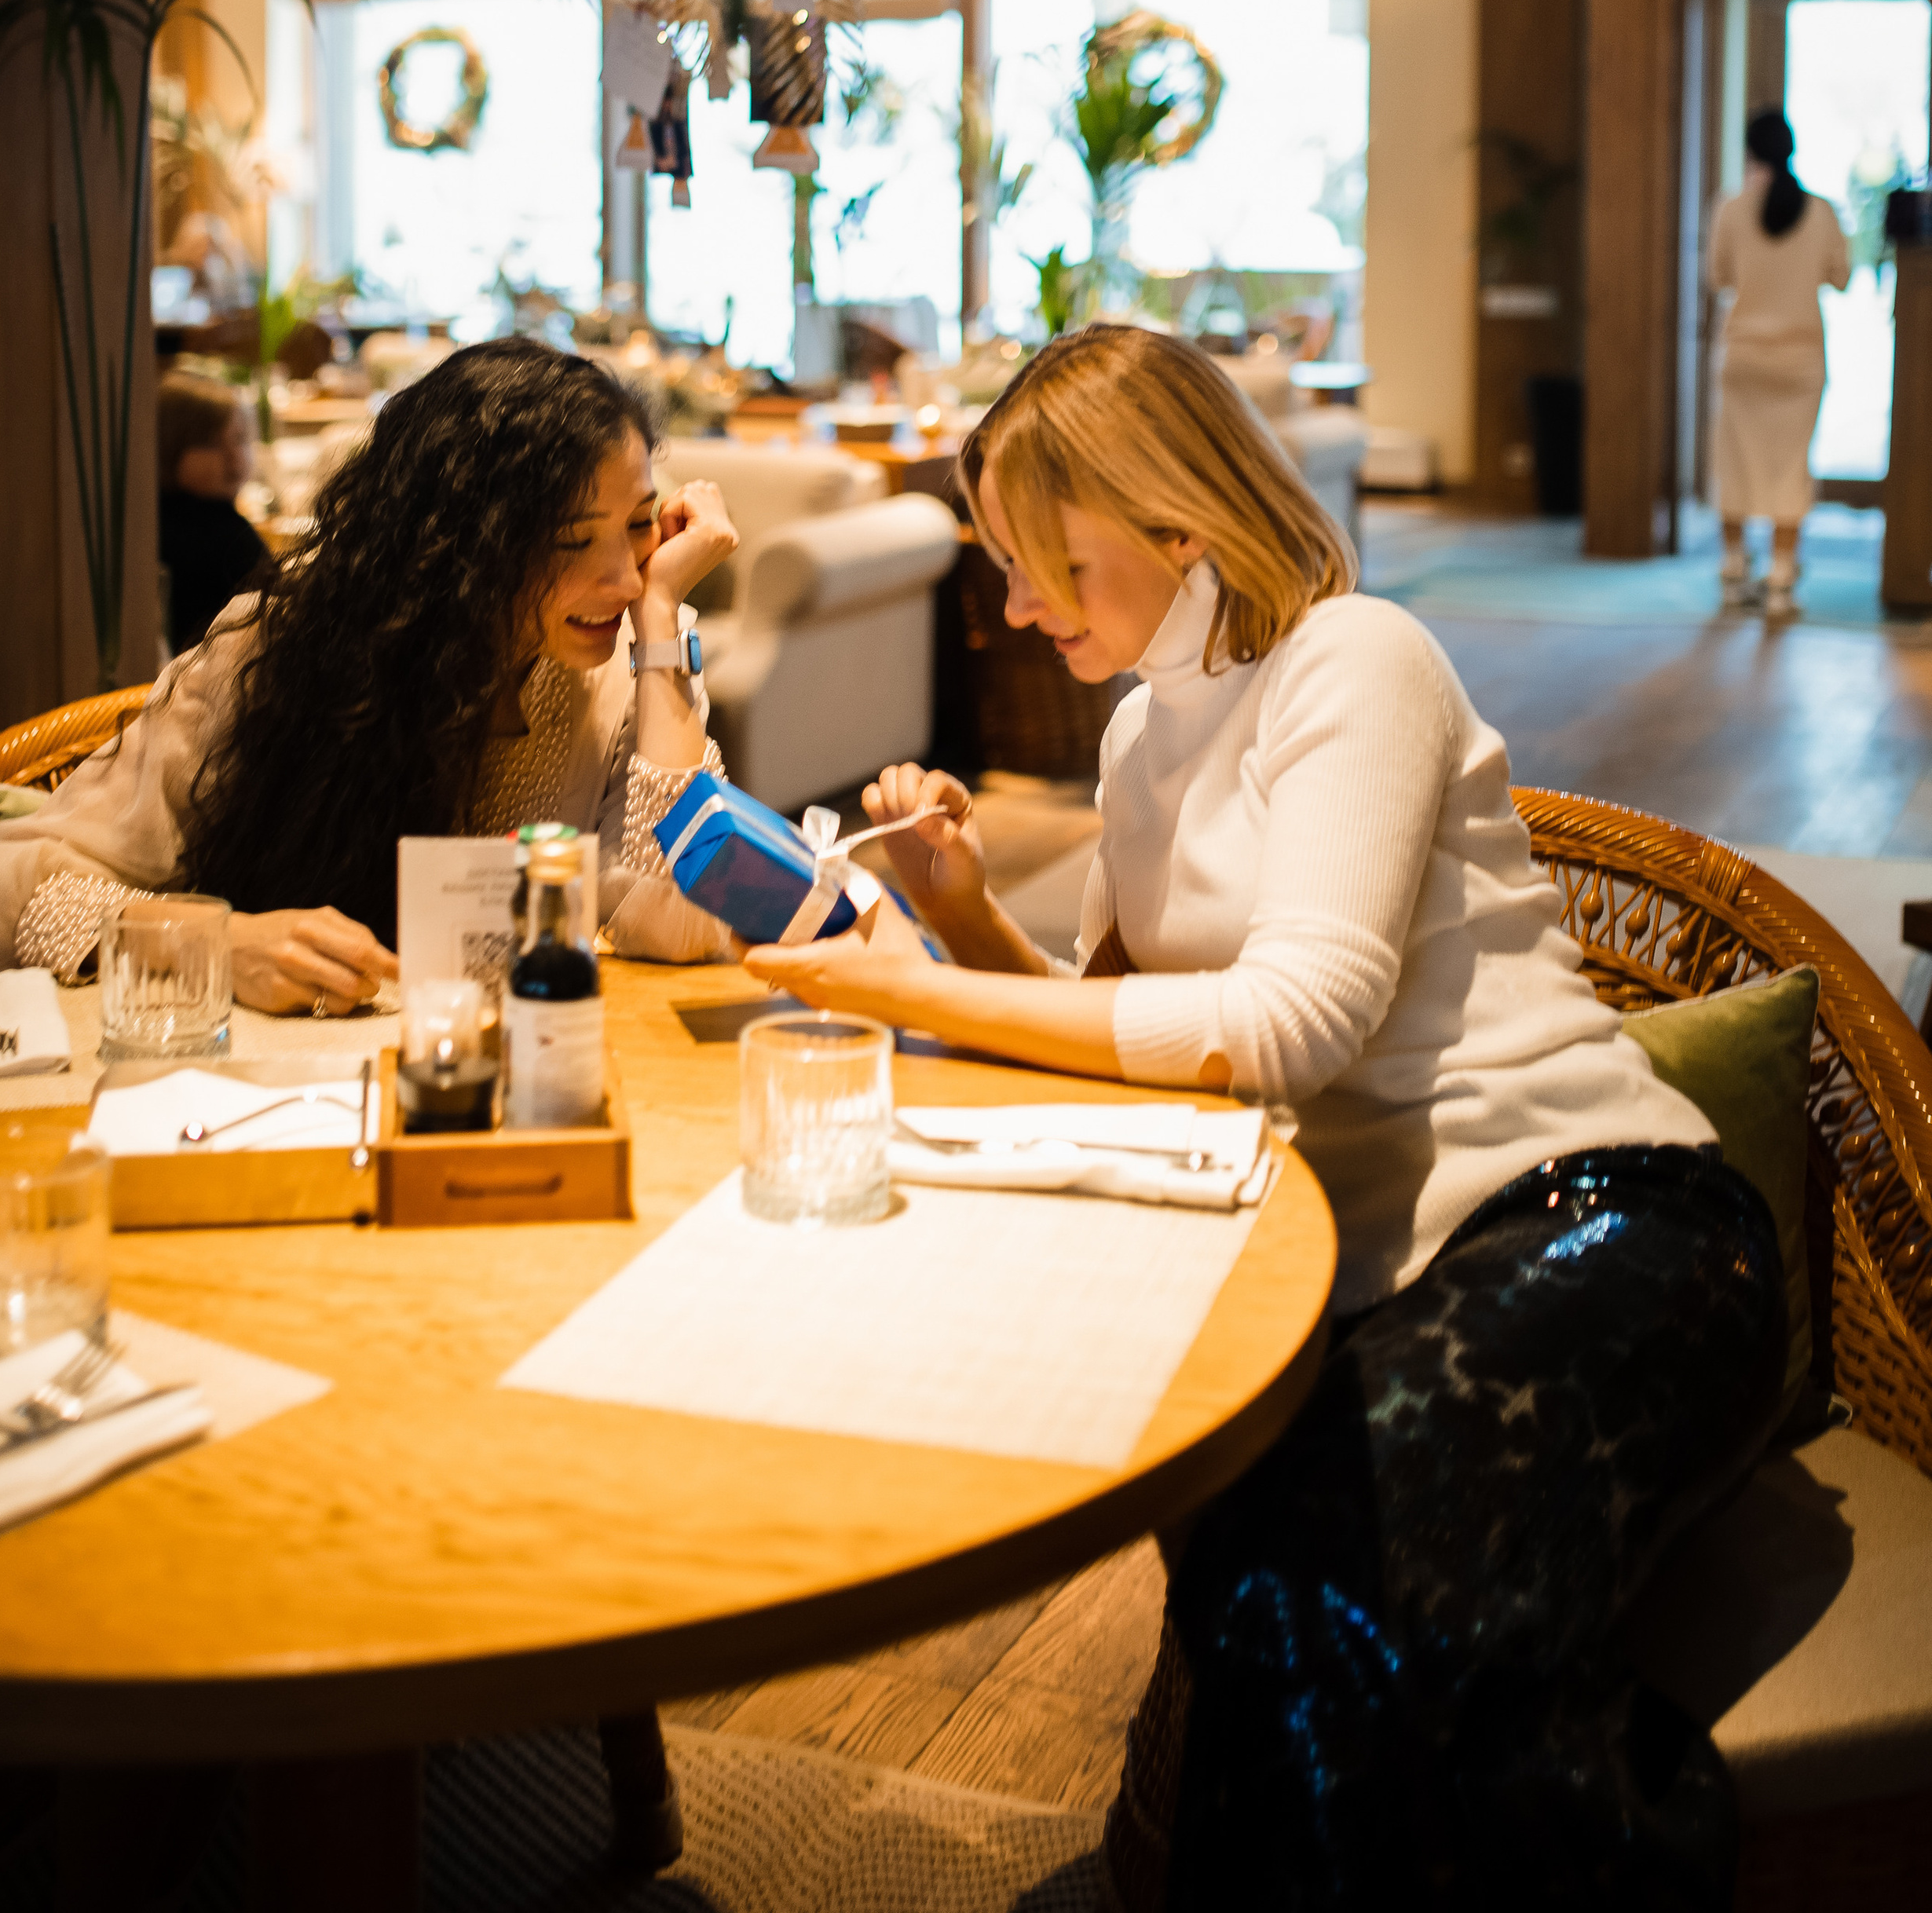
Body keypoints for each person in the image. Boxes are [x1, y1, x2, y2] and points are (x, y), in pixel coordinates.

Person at [749, 325, 1784, 1904]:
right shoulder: (1140, 730)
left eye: (1050, 567)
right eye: (1005, 567)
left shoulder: (1351, 658)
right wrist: (957, 919)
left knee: (1306, 1563)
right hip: (1379, 1274)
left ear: (1183, 529)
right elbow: (1118, 1024)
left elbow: (1284, 1029)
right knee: (1267, 1556)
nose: (1015, 609)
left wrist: (905, 995)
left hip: (1606, 1222)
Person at [0, 339, 741, 1015]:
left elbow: (683, 920)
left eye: (637, 523)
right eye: (570, 540)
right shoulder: (284, 650)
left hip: (528, 1077)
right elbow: (6, 891)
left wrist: (666, 620)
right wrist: (221, 945)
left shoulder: (639, 658)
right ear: (463, 541)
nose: (625, 579)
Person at [1708, 107, 1850, 621]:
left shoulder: (1730, 208)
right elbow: (1841, 275)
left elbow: (1719, 278)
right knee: (1791, 466)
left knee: (1735, 462)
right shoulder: (1822, 212)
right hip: (1801, 359)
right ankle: (1782, 579)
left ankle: (1731, 572)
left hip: (1744, 355)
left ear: (1749, 151)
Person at [156, 373, 273, 656]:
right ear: (168, 450)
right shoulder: (224, 537)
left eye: (240, 439)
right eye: (211, 444)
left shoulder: (157, 518)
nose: (234, 456)